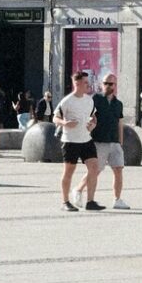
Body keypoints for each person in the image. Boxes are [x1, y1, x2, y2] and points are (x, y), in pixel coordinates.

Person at [72, 73, 130, 210]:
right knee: (95, 171)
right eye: (105, 83)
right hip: (99, 141)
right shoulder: (95, 100)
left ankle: (117, 199)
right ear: (101, 84)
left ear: (115, 86)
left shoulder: (118, 104)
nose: (108, 86)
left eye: (111, 84)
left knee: (118, 170)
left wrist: (120, 142)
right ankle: (78, 189)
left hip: (114, 142)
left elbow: (119, 123)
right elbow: (86, 117)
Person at [54, 72, 103, 211]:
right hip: (70, 141)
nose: (88, 85)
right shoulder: (67, 101)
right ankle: (65, 202)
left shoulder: (89, 100)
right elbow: (55, 118)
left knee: (94, 167)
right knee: (69, 171)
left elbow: (93, 117)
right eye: (86, 82)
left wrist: (93, 124)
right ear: (77, 84)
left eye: (88, 82)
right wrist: (65, 123)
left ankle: (90, 201)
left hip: (86, 139)